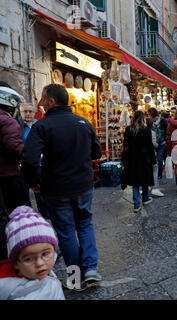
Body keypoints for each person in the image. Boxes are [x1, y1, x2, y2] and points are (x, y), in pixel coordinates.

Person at [22, 84, 103, 288]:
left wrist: (34, 183)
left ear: (51, 101)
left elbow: (30, 160)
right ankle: (90, 269)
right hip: (83, 185)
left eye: (42, 99)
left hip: (57, 189)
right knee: (84, 224)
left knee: (66, 232)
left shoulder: (42, 126)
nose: (40, 104)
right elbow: (96, 153)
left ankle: (75, 279)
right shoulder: (83, 123)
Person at [0, 206, 65, 300]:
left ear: (53, 251)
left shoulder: (48, 276)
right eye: (28, 259)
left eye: (45, 254)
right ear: (15, 263)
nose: (40, 263)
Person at [0, 84, 30, 261]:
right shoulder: (8, 121)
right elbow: (15, 148)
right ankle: (25, 247)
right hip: (10, 175)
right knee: (21, 214)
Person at [121, 111, 157, 212]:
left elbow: (126, 146)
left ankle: (136, 204)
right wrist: (154, 160)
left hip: (132, 158)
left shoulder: (128, 129)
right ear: (143, 118)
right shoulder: (146, 130)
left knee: (134, 180)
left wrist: (124, 160)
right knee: (145, 177)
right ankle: (145, 198)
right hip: (144, 158)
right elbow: (150, 146)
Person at [20, 103, 49, 219]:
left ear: (34, 113)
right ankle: (27, 216)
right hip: (23, 163)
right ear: (21, 113)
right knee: (24, 191)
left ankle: (44, 214)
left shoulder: (40, 125)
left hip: (39, 163)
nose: (27, 114)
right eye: (25, 111)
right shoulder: (18, 126)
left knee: (39, 189)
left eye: (30, 112)